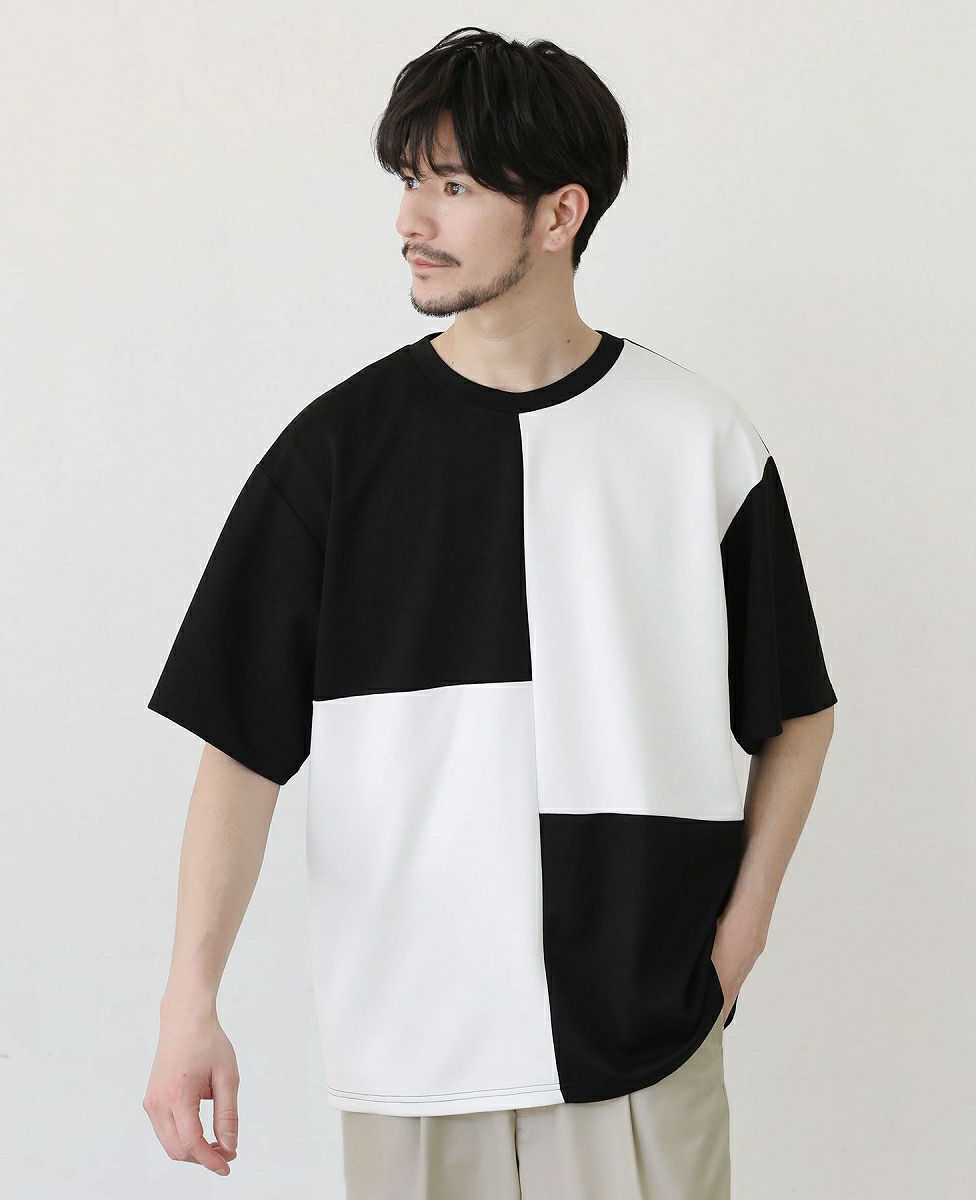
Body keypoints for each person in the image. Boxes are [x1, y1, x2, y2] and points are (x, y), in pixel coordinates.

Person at [141, 26, 837, 1200]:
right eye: (410, 181)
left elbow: (797, 716)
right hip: (411, 1044)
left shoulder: (698, 443)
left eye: (455, 187)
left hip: (640, 1040)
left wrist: (736, 944)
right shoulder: (334, 454)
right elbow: (241, 751)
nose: (411, 219)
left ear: (559, 214)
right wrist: (187, 1005)